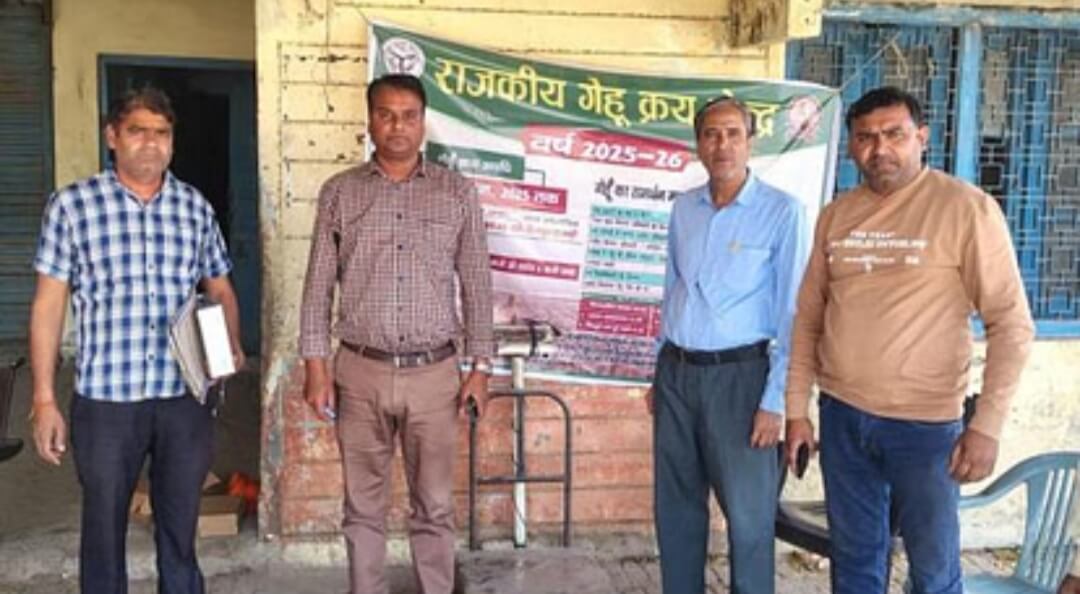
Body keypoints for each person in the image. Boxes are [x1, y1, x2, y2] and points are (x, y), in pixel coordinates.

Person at [785, 86, 1035, 594]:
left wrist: (986, 426)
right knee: (854, 562)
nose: (880, 149)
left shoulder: (966, 209)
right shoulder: (837, 215)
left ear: (922, 137)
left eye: (894, 134)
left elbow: (1011, 324)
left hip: (926, 428)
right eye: (865, 137)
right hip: (843, 417)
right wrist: (796, 411)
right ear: (851, 147)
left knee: (933, 569)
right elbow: (808, 317)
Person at [29, 87, 244, 594]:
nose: (151, 143)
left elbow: (219, 287)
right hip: (106, 400)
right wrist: (43, 399)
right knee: (104, 529)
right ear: (112, 136)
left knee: (180, 526)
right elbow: (48, 305)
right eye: (137, 131)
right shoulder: (73, 206)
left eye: (162, 133)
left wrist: (229, 346)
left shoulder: (193, 207)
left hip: (183, 398)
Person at [299, 73, 494, 594]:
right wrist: (316, 368)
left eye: (408, 116)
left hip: (435, 375)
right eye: (386, 115)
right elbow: (317, 286)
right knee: (362, 506)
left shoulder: (457, 192)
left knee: (434, 505)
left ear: (423, 122)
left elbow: (477, 282)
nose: (397, 126)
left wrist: (480, 368)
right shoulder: (340, 192)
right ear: (370, 121)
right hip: (359, 371)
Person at [647, 97, 810, 594]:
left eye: (733, 134)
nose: (722, 145)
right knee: (676, 509)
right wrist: (658, 370)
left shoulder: (782, 212)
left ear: (751, 142)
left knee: (748, 518)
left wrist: (776, 401)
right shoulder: (684, 209)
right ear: (698, 144)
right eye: (711, 134)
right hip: (676, 375)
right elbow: (672, 289)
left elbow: (794, 314)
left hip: (742, 380)